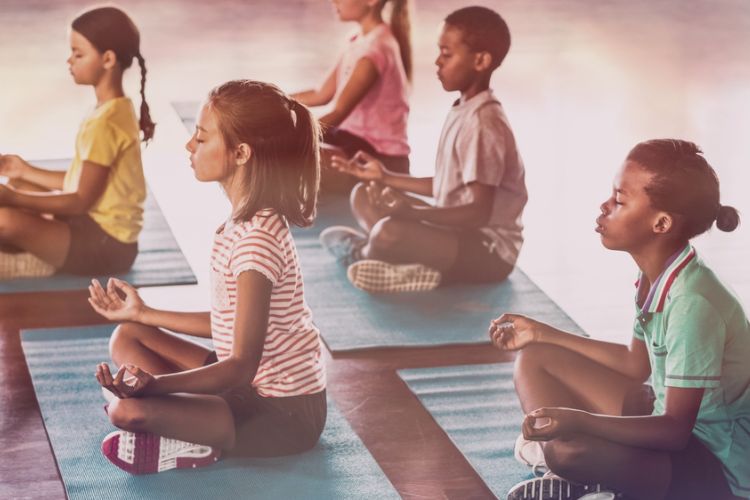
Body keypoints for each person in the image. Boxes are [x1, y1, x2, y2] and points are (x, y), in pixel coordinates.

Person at [89, 80, 326, 474]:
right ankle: (180, 421)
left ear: (241, 153)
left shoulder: (256, 243)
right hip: (244, 384)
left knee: (126, 411)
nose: (189, 146)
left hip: (282, 416)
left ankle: (195, 441)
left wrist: (155, 386)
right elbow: (228, 326)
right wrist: (144, 313)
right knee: (127, 335)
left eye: (200, 138)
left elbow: (239, 367)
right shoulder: (240, 222)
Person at [491, 139, 749, 500]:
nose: (604, 206)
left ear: (661, 223)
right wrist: (540, 332)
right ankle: (588, 477)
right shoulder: (656, 275)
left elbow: (675, 431)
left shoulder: (694, 303)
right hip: (669, 424)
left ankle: (592, 478)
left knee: (568, 450)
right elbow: (634, 364)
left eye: (620, 200)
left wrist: (578, 421)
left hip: (714, 466)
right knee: (536, 357)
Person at [320, 6, 527, 293]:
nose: (437, 62)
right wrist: (383, 177)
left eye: (447, 54)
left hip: (488, 253)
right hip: (459, 235)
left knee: (392, 230)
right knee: (364, 195)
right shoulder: (465, 108)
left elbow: (478, 213)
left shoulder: (483, 123)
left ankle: (361, 255)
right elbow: (447, 187)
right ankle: (397, 261)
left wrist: (414, 214)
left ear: (480, 60)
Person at [0, 6, 154, 279]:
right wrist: (22, 171)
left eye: (78, 54)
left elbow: (80, 201)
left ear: (108, 59)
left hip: (106, 247)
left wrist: (14, 198)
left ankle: (23, 250)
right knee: (20, 186)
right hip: (92, 227)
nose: (69, 60)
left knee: (6, 217)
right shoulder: (115, 108)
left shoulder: (106, 123)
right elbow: (82, 182)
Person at [292, 0, 412, 191]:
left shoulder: (376, 50)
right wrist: (274, 100)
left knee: (288, 153)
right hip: (350, 140)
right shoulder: (357, 39)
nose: (334, 1)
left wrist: (290, 137)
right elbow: (321, 94)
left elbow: (338, 112)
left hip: (379, 158)